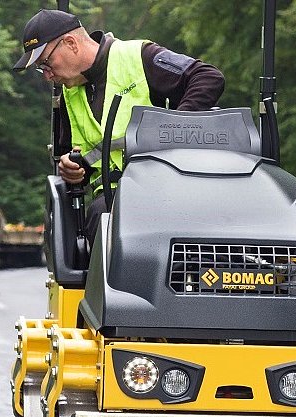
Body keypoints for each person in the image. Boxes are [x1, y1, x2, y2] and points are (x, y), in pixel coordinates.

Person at [13, 8, 224, 245]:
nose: (47, 76)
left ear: (71, 43)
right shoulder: (68, 96)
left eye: (46, 63)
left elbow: (207, 77)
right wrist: (72, 170)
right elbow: (77, 161)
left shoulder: (138, 57)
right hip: (111, 199)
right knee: (99, 216)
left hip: (165, 188)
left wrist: (176, 127)